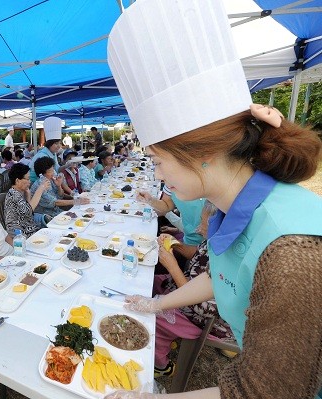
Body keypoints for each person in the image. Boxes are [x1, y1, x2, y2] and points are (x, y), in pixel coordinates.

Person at [105, 1, 322, 398]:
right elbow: (222, 274)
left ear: (198, 151)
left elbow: (260, 392)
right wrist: (156, 305)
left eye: (157, 160)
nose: (157, 175)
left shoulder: (291, 251)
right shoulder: (234, 205)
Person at [153, 201, 234, 378]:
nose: (198, 229)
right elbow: (196, 253)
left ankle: (161, 365)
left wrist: (173, 266)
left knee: (154, 319)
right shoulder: (216, 240)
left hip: (204, 320)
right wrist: (176, 244)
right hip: (188, 293)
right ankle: (168, 338)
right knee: (152, 283)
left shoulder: (229, 260)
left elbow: (199, 305)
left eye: (203, 225)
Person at [4, 163, 52, 237]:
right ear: (17, 181)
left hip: (28, 229)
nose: (29, 181)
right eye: (27, 179)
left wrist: (28, 195)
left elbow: (28, 214)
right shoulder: (14, 194)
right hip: (20, 234)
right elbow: (28, 210)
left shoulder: (18, 192)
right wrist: (41, 188)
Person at [29, 116, 63, 183]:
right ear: (49, 144)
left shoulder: (53, 153)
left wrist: (68, 165)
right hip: (36, 184)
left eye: (60, 143)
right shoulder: (42, 156)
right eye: (56, 143)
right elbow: (52, 175)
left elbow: (57, 169)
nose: (59, 146)